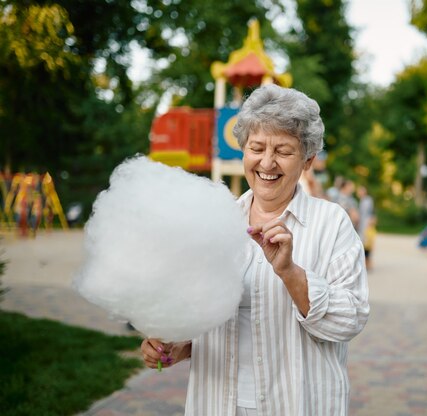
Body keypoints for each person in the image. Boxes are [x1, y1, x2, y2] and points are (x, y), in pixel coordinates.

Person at [140, 84, 370, 416]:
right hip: (219, 404)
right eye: (256, 147)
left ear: (307, 161)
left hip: (296, 405)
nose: (267, 162)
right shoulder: (216, 221)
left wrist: (290, 274)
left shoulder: (331, 224)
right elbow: (208, 317)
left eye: (283, 151)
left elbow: (350, 320)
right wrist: (180, 346)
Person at [356, 185, 376, 269]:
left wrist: (371, 221)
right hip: (362, 224)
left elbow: (371, 211)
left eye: (361, 191)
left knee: (367, 243)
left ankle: (368, 262)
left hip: (367, 224)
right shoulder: (361, 200)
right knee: (363, 243)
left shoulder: (368, 200)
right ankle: (365, 262)